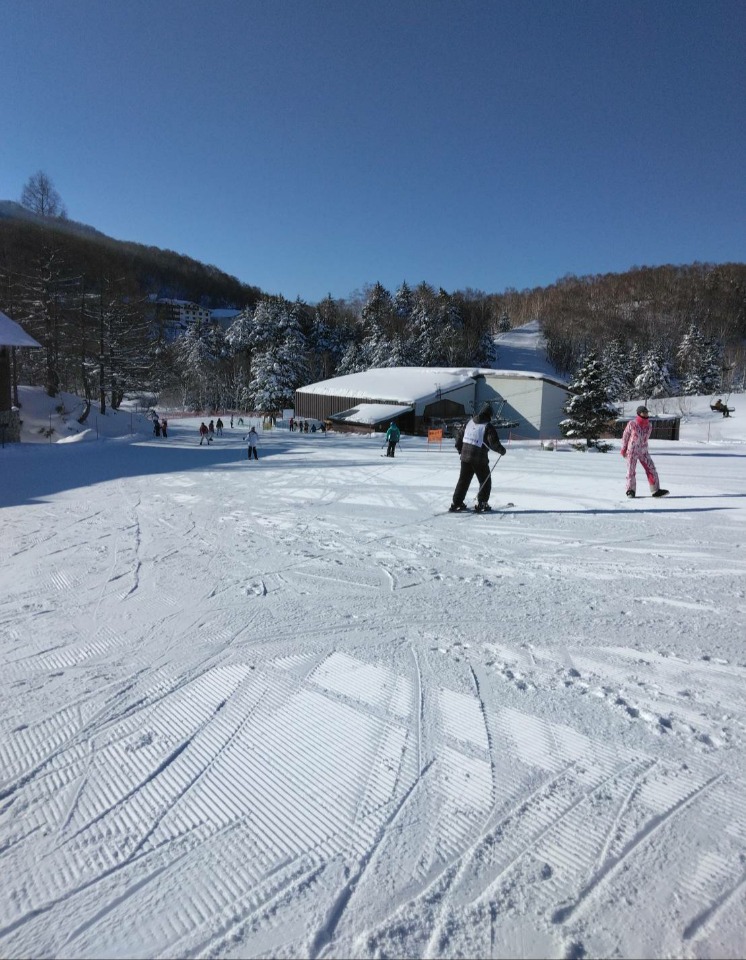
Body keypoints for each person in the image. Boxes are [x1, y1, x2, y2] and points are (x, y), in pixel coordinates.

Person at [450, 402, 506, 512]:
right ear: (489, 415)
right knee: (485, 480)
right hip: (479, 459)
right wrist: (501, 450)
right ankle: (482, 503)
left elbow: (459, 437)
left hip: (465, 457)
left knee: (463, 480)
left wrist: (460, 449)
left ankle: (457, 503)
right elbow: (493, 442)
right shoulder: (487, 426)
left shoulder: (469, 423)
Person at [621, 406, 668, 498]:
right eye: (644, 412)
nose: (646, 413)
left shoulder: (649, 425)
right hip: (632, 450)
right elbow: (625, 436)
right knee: (630, 471)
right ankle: (630, 490)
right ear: (639, 413)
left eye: (647, 412)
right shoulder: (632, 423)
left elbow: (645, 439)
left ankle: (655, 490)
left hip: (643, 451)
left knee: (651, 469)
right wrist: (623, 449)